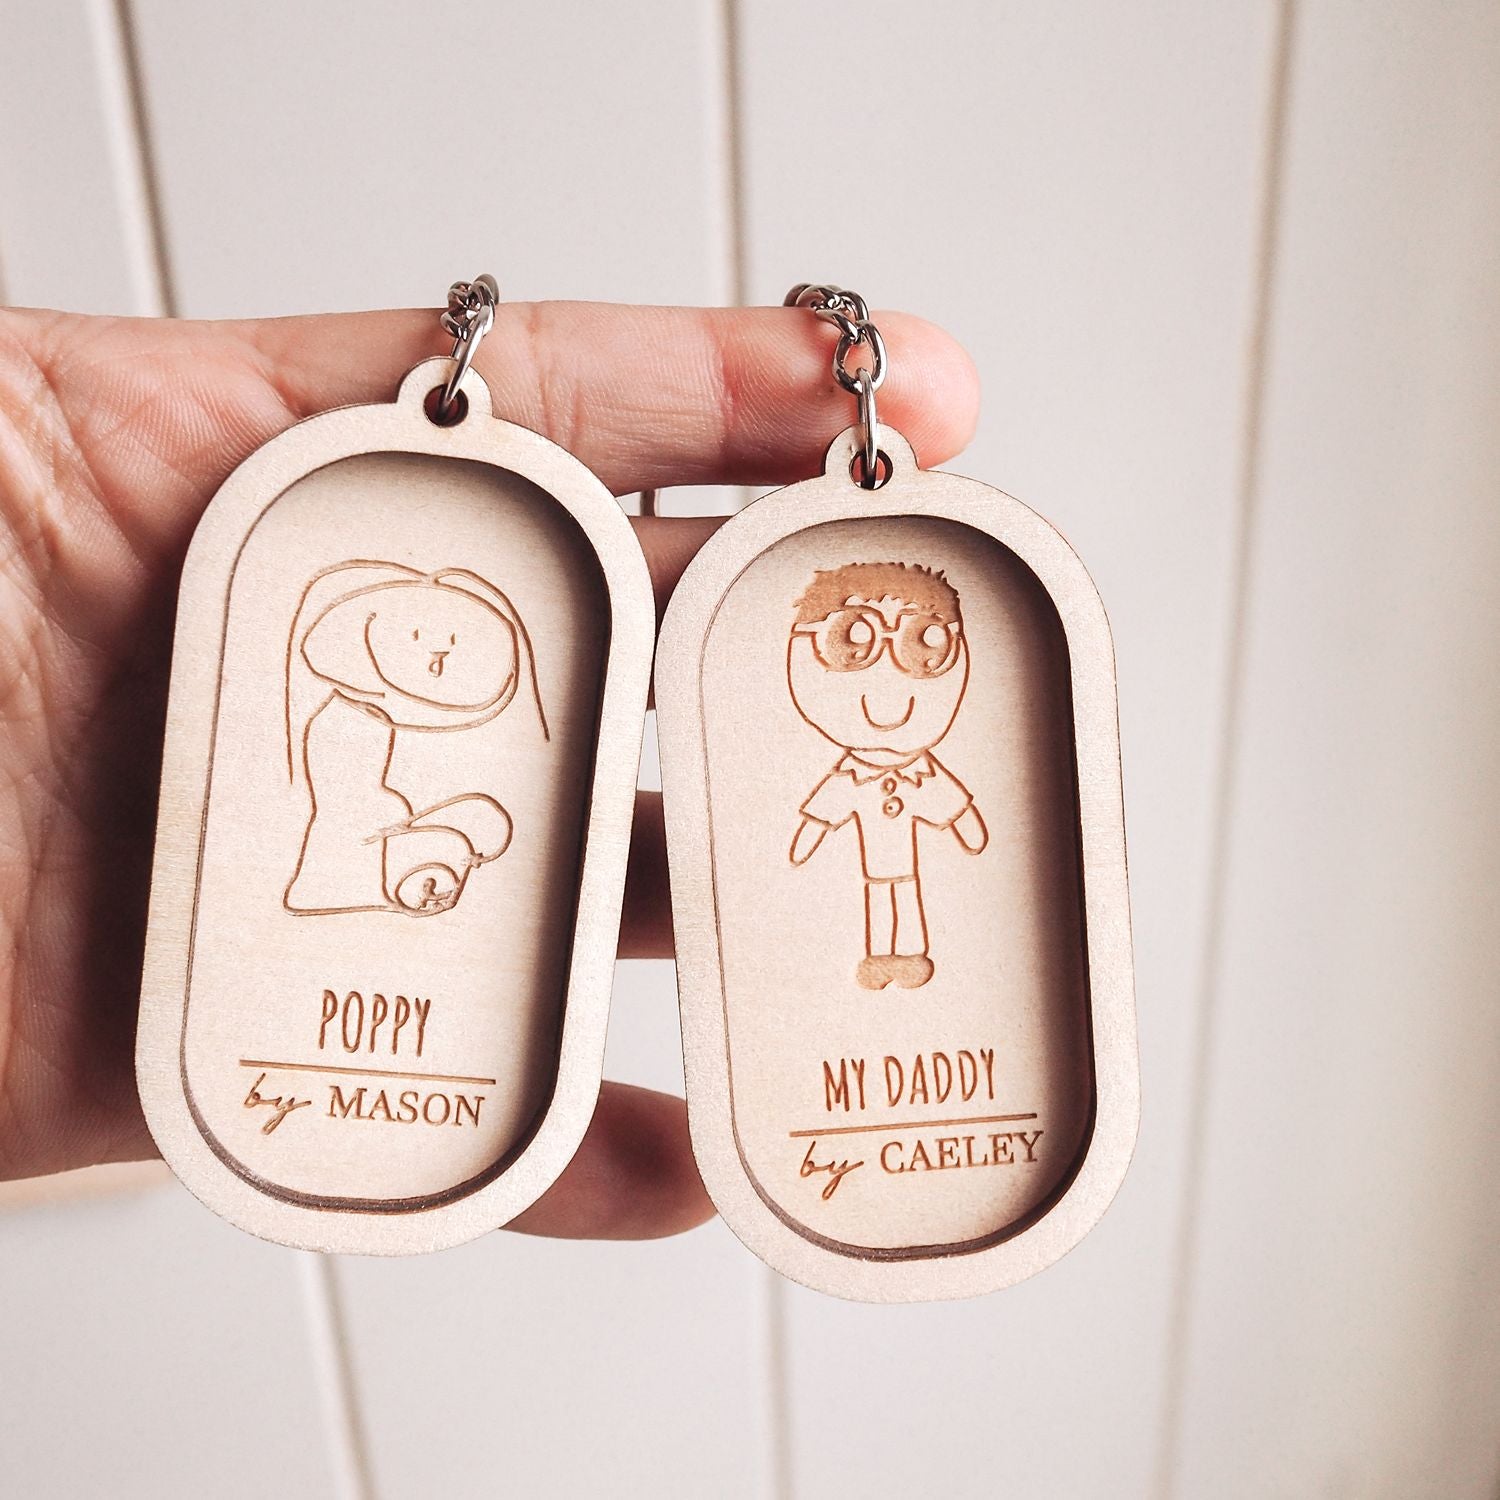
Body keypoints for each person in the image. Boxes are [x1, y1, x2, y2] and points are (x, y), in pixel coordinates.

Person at [0, 299, 978, 1237]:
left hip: (366, 848)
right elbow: (338, 798)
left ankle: (433, 862)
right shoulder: (340, 714)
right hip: (344, 860)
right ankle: (420, 868)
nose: (435, 659)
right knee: (471, 827)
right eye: (424, 643)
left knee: (496, 825)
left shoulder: (363, 722)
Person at [788, 562, 988, 989]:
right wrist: (805, 840)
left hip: (902, 864)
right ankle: (881, 957)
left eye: (924, 645)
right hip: (877, 866)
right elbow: (821, 815)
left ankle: (911, 955)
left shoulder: (922, 773)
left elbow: (955, 809)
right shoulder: (850, 776)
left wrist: (968, 828)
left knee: (905, 896)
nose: (890, 696)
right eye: (850, 640)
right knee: (881, 898)